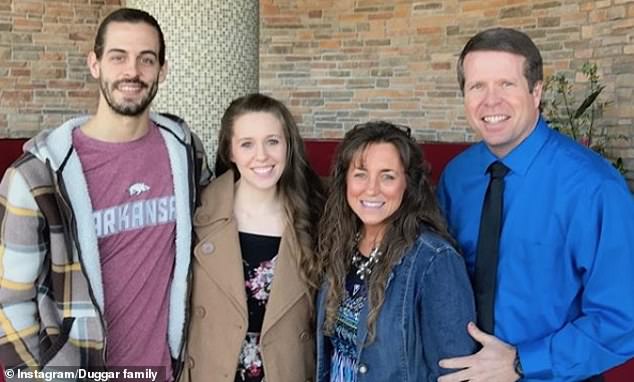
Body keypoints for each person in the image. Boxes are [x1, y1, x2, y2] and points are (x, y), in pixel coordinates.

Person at [0, 8, 210, 381]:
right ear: (95, 64)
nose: (132, 71)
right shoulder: (36, 177)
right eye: (118, 56)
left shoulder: (186, 154)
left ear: (162, 70)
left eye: (147, 59)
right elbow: (9, 301)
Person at [437, 27, 634, 382]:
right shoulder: (456, 178)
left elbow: (623, 318)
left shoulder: (595, 188)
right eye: (477, 86)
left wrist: (521, 362)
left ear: (536, 91)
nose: (490, 101)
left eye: (506, 84)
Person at [315, 121, 477, 381]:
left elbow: (456, 372)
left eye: (387, 176)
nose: (371, 188)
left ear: (408, 184)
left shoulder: (434, 260)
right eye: (360, 174)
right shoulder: (341, 245)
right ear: (344, 180)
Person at [182, 93, 325, 382]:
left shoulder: (317, 215)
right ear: (230, 152)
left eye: (272, 141)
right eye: (247, 144)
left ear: (288, 146)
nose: (262, 156)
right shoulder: (195, 211)